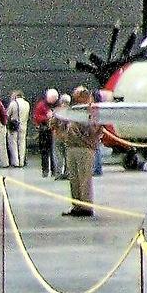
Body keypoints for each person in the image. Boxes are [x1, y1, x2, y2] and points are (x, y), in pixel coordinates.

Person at [57, 86, 101, 217]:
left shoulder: (92, 111)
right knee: (74, 178)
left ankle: (86, 207)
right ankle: (76, 205)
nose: (74, 98)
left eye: (76, 95)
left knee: (84, 178)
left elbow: (94, 129)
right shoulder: (74, 109)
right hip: (71, 146)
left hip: (85, 148)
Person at [33, 89, 57, 177]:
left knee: (53, 152)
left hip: (52, 130)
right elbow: (37, 117)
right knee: (45, 152)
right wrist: (47, 117)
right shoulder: (41, 105)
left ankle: (54, 170)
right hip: (44, 131)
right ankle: (45, 170)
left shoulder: (53, 105)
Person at [5, 91, 27, 169]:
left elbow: (7, 114)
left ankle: (15, 162)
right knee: (22, 143)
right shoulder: (27, 103)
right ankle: (22, 161)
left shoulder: (13, 103)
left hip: (14, 126)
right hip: (23, 125)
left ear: (15, 96)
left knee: (13, 143)